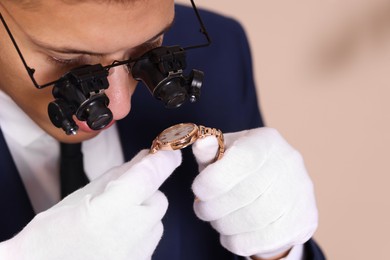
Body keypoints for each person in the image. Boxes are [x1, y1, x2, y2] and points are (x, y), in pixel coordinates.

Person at [0, 0, 325, 259]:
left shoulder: (220, 50)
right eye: (67, 61)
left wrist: (277, 250)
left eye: (147, 52)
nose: (118, 104)